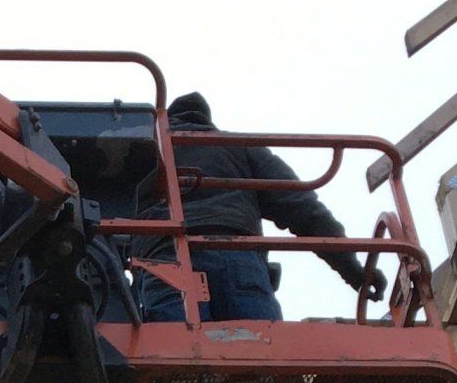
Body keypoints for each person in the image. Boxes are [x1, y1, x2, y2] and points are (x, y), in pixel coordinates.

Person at [132, 91, 385, 322]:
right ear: (208, 121)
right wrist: (352, 269)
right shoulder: (240, 147)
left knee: (176, 354)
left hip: (164, 257)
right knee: (259, 352)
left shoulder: (144, 150)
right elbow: (302, 208)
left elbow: (101, 219)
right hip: (237, 255)